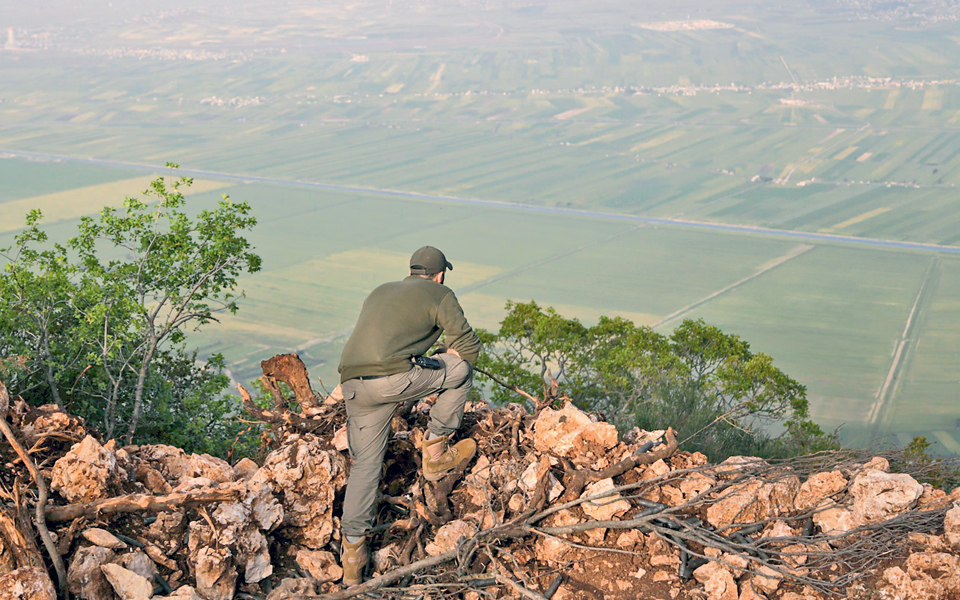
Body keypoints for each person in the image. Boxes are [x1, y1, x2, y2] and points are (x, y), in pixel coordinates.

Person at [335, 246, 481, 586]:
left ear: (412, 270)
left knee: (365, 466)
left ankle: (352, 564)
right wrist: (448, 354)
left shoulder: (380, 291)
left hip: (353, 385)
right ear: (439, 274)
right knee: (461, 370)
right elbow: (469, 348)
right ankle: (436, 453)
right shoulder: (440, 293)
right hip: (393, 379)